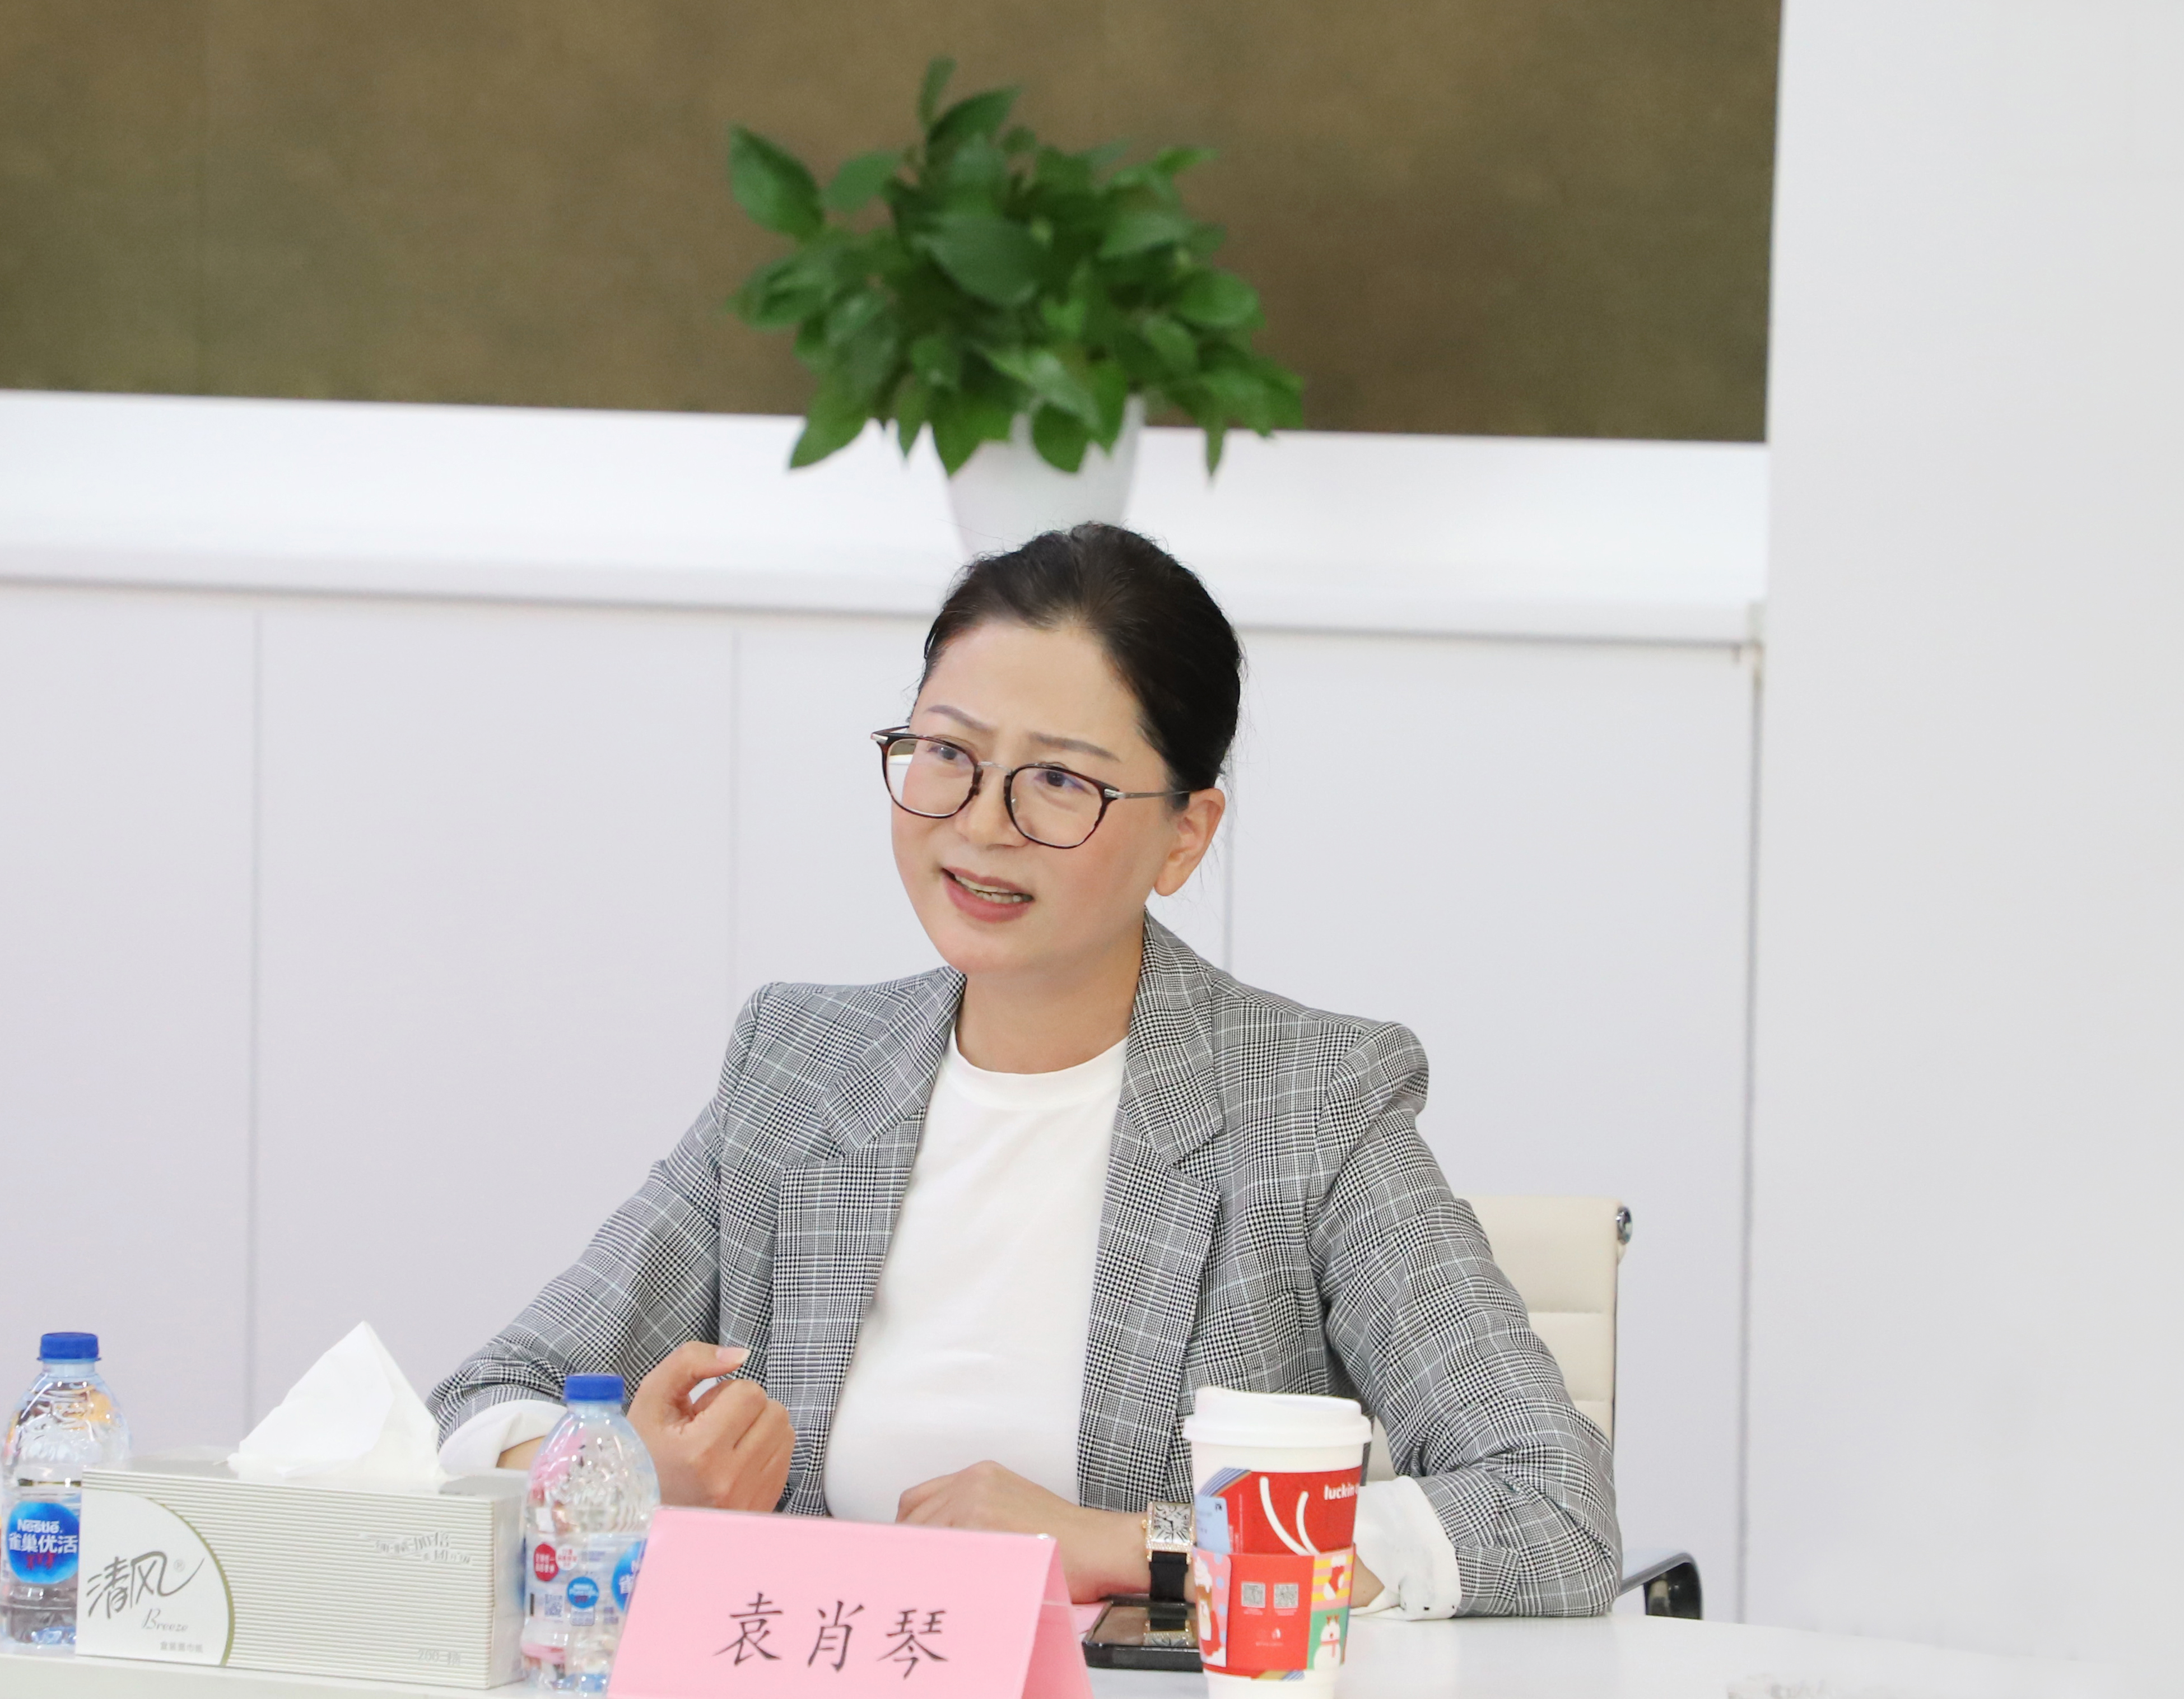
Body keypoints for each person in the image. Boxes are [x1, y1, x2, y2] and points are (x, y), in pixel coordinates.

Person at [429, 524, 1619, 1617]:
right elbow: (486, 1397)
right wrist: (633, 1479)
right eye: (947, 752)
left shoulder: (1310, 1103)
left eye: (1059, 779)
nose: (982, 822)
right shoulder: (797, 1068)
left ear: (1184, 833)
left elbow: (1550, 1509)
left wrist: (1128, 1545)